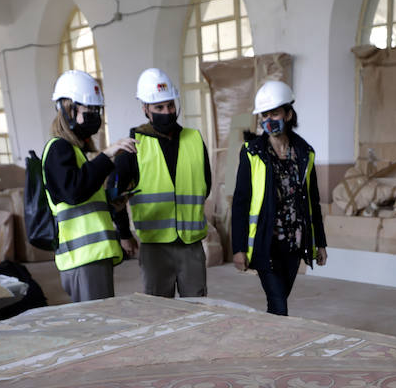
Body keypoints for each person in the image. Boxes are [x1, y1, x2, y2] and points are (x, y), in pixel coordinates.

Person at [112, 68, 211, 298]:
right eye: (159, 108)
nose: (167, 112)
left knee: (197, 309)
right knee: (158, 310)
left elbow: (206, 185)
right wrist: (124, 234)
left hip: (191, 243)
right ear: (145, 109)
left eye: (171, 105)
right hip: (154, 245)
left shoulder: (195, 139)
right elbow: (116, 195)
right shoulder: (132, 146)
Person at [231, 79, 327, 315]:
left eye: (274, 113)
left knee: (279, 300)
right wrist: (238, 247)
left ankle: (270, 339)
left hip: (294, 244)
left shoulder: (305, 153)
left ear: (288, 114)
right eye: (264, 115)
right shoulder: (252, 152)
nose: (269, 120)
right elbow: (240, 202)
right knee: (278, 303)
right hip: (267, 243)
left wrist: (320, 242)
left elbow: (313, 201)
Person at [41, 69, 122, 302]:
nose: (95, 117)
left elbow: (85, 195)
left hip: (92, 257)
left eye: (97, 111)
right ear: (67, 110)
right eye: (89, 111)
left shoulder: (75, 151)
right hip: (83, 258)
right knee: (99, 327)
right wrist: (106, 156)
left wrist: (111, 202)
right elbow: (73, 192)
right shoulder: (59, 148)